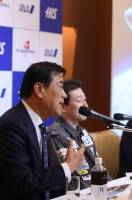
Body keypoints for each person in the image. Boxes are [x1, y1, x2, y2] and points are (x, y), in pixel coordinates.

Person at [0, 62, 84, 200]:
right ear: (39, 89)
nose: (64, 95)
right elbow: (23, 182)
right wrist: (67, 167)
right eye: (61, 86)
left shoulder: (36, 123)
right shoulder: (12, 125)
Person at [48, 79, 111, 189]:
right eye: (79, 100)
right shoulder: (56, 135)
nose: (85, 105)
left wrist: (114, 188)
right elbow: (71, 181)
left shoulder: (83, 133)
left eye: (85, 99)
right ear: (63, 107)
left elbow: (100, 169)